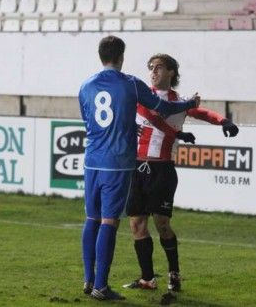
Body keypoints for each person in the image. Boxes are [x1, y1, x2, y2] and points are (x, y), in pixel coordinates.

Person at [78, 37, 201, 301]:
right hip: (118, 164)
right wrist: (189, 104)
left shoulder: (85, 85)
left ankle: (88, 281)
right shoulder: (131, 84)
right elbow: (165, 107)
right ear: (121, 56)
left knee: (92, 219)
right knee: (110, 221)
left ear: (101, 56)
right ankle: (101, 287)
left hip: (91, 161)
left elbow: (90, 121)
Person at [123, 54, 239, 293]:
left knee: (162, 224)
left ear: (172, 72)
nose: (153, 72)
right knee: (136, 224)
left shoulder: (180, 102)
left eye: (158, 67)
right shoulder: (143, 96)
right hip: (137, 166)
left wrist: (224, 120)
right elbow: (152, 116)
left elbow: (203, 113)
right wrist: (176, 134)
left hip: (162, 168)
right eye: (151, 68)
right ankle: (147, 279)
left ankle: (174, 273)